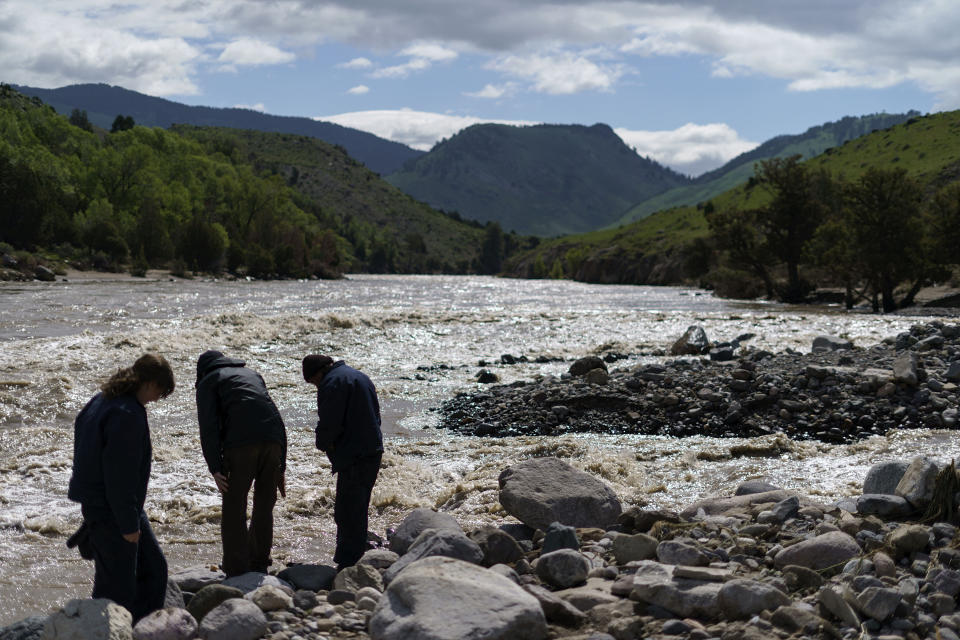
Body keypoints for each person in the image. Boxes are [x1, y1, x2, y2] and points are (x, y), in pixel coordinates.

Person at [67, 353, 175, 621]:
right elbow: (120, 474)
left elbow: (82, 439)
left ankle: (141, 629)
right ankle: (111, 631)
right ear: (150, 383)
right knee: (118, 586)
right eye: (160, 392)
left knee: (152, 569)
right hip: (113, 508)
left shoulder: (102, 399)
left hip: (104, 502)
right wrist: (128, 524)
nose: (157, 399)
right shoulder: (127, 414)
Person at [195, 350, 287, 577]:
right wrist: (281, 465)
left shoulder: (209, 381)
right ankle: (259, 561)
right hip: (273, 440)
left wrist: (215, 467)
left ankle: (237, 568)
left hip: (241, 444)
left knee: (235, 505)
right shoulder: (252, 374)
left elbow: (208, 428)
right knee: (264, 504)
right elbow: (273, 413)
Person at [303, 354, 383, 570]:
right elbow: (376, 415)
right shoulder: (359, 376)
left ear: (318, 372)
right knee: (357, 507)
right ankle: (354, 555)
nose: (315, 386)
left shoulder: (332, 383)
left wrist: (322, 442)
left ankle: (348, 564)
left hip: (353, 454)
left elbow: (330, 422)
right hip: (372, 450)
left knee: (347, 511)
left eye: (313, 382)